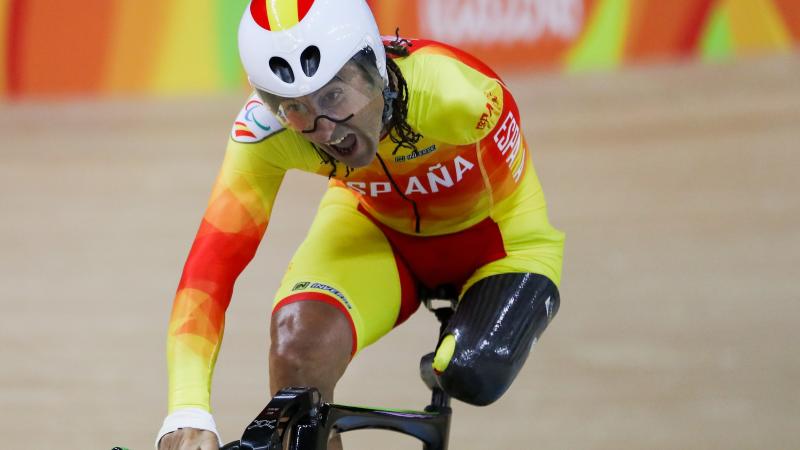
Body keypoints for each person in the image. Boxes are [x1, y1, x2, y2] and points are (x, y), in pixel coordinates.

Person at [156, 1, 564, 449]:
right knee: (297, 354)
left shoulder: (459, 95)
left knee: (474, 372)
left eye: (333, 95)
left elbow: (516, 201)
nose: (326, 131)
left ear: (374, 64)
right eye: (296, 108)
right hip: (373, 227)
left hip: (497, 241)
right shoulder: (267, 133)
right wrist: (187, 409)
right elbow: (209, 269)